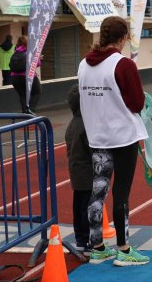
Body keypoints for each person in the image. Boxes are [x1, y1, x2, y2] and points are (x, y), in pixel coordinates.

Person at [77, 16, 150, 266]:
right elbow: (137, 103)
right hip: (122, 137)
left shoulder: (83, 65)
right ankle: (124, 250)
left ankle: (97, 247)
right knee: (121, 194)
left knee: (98, 191)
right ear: (123, 38)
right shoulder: (123, 65)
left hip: (97, 136)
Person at [65, 84, 93, 254]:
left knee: (79, 205)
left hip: (77, 171)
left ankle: (81, 239)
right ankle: (86, 240)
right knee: (86, 207)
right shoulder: (86, 125)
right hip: (86, 172)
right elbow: (92, 148)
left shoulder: (73, 124)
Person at [10, 36, 41, 114]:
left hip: (15, 77)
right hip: (28, 76)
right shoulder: (30, 51)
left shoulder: (15, 52)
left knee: (22, 95)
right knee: (36, 92)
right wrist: (39, 58)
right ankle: (31, 110)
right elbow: (37, 64)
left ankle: (25, 113)